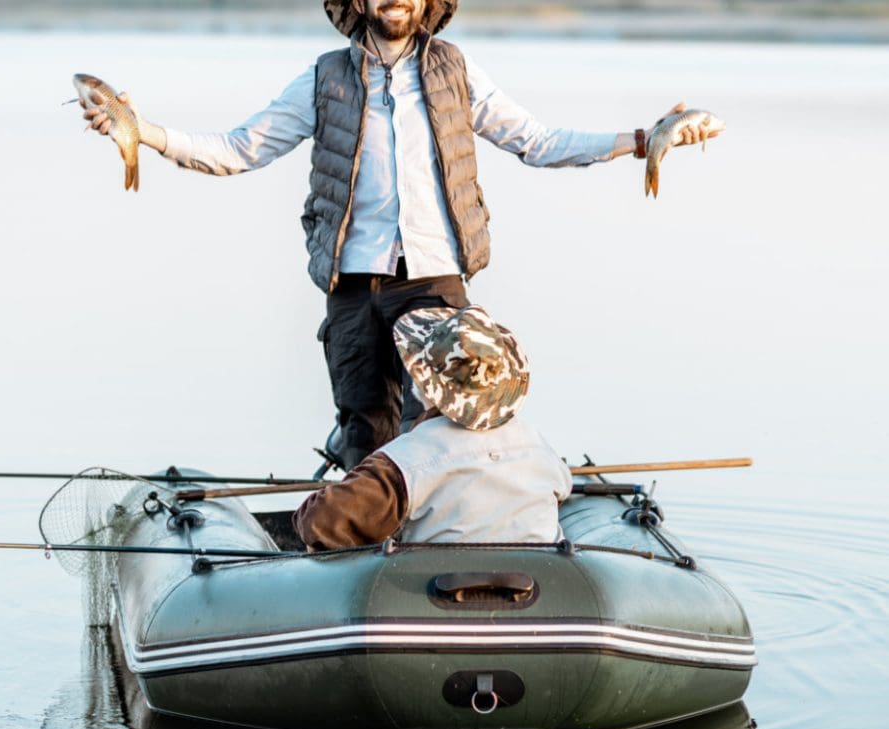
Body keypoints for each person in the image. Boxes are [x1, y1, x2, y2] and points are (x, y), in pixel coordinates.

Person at [80, 0, 720, 470]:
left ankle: (441, 558)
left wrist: (642, 141)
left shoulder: (456, 73)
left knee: (444, 432)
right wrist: (141, 131)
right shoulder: (324, 78)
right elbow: (238, 150)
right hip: (354, 287)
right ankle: (364, 562)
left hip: (437, 284)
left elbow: (539, 142)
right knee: (366, 436)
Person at [292, 304, 571, 550]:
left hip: (437, 598)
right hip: (540, 593)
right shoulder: (538, 446)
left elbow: (320, 522)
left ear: (423, 383)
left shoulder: (404, 460)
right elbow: (562, 492)